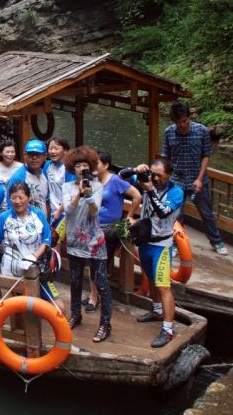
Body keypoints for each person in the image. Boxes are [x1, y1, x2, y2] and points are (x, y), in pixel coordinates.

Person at [120, 158, 184, 348]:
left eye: (159, 175)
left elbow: (163, 212)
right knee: (151, 278)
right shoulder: (146, 180)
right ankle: (157, 311)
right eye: (152, 174)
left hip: (162, 245)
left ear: (169, 174)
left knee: (164, 285)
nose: (155, 178)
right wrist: (135, 169)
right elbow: (121, 176)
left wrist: (148, 188)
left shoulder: (176, 192)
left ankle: (168, 330)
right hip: (145, 241)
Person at [163, 101, 228, 256]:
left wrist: (199, 178)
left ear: (189, 117)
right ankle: (175, 244)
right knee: (176, 214)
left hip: (198, 178)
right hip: (177, 178)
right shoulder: (169, 132)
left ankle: (216, 242)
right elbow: (166, 157)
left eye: (184, 121)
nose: (181, 125)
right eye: (178, 122)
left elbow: (206, 156)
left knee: (206, 213)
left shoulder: (202, 131)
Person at [0, 182, 65, 311]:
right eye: (13, 197)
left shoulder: (38, 215)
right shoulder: (4, 217)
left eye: (21, 197)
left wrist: (34, 256)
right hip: (10, 270)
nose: (17, 201)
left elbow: (47, 239)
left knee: (59, 308)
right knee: (17, 311)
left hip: (36, 270)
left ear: (28, 198)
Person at [61, 145, 112, 342]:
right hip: (74, 241)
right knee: (74, 280)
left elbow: (95, 211)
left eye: (85, 165)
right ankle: (75, 315)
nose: (81, 168)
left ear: (90, 167)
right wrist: (78, 194)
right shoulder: (67, 187)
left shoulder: (97, 185)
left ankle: (105, 324)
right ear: (72, 168)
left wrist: (89, 194)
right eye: (78, 165)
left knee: (101, 283)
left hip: (94, 243)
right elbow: (68, 210)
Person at [82, 151, 142, 312]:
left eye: (97, 163)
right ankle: (93, 294)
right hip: (92, 226)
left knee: (99, 263)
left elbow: (137, 196)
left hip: (109, 229)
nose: (93, 167)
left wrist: (129, 216)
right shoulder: (92, 181)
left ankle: (95, 297)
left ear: (106, 165)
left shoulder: (115, 181)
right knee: (92, 261)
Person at [6, 139, 50, 221]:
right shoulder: (19, 177)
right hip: (26, 226)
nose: (34, 158)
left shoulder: (43, 174)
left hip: (42, 223)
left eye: (38, 155)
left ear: (45, 156)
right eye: (31, 154)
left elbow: (46, 201)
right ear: (25, 155)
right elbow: (11, 205)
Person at [43, 137, 75, 227]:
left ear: (65, 150)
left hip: (65, 213)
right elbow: (45, 189)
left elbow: (71, 194)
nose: (53, 151)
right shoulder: (47, 165)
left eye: (56, 148)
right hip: (52, 210)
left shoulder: (69, 168)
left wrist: (60, 211)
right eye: (50, 148)